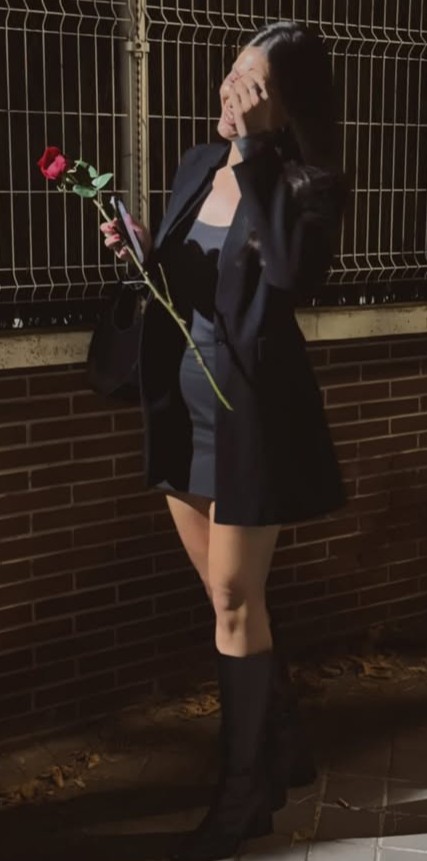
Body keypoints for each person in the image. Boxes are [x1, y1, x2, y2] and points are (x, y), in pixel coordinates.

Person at [101, 19, 347, 861]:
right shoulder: (193, 164)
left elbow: (288, 275)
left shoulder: (308, 182)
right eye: (231, 74)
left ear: (284, 102)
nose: (230, 92)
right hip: (184, 411)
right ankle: (285, 746)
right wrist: (142, 252)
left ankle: (244, 797)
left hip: (251, 417)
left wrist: (253, 152)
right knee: (223, 597)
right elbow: (183, 282)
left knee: (237, 598)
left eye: (251, 83)